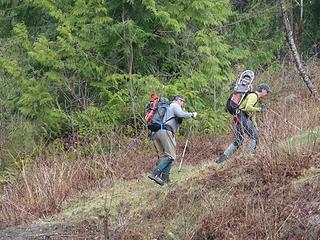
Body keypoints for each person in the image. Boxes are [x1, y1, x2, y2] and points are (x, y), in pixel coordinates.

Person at [215, 83, 271, 163]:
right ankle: (249, 157)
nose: (267, 94)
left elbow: (252, 114)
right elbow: (248, 107)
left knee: (239, 139)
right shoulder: (254, 96)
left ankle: (221, 159)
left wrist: (255, 125)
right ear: (263, 90)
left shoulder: (254, 96)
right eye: (267, 92)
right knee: (254, 136)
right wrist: (260, 109)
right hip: (242, 116)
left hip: (239, 115)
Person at [148, 95, 197, 185]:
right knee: (171, 156)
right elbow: (181, 114)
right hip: (165, 131)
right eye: (182, 101)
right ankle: (155, 174)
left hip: (157, 133)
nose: (182, 103)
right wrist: (192, 114)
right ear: (177, 100)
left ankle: (166, 180)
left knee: (166, 156)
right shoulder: (174, 105)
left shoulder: (167, 107)